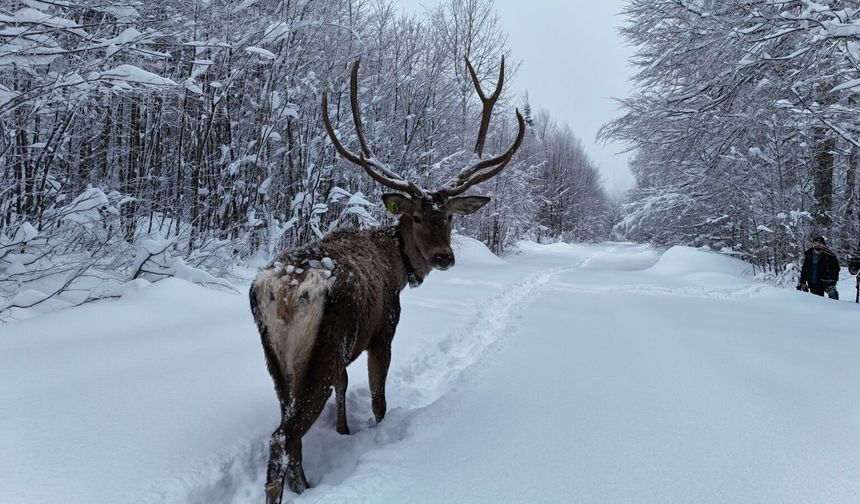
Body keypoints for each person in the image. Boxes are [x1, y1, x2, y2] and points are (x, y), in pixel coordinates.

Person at [797, 235, 840, 300]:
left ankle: (836, 306)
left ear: (823, 245)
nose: (817, 245)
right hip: (813, 283)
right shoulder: (809, 255)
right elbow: (804, 269)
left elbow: (836, 269)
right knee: (817, 301)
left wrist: (831, 280)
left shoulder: (830, 255)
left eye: (819, 243)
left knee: (833, 295)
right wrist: (803, 281)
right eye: (815, 243)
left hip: (826, 282)